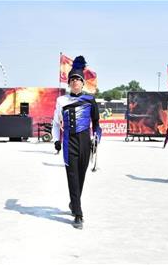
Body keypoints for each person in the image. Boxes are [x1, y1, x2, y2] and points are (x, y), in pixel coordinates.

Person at [52, 56, 102, 229]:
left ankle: (74, 203)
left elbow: (96, 124)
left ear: (83, 83)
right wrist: (56, 140)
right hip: (69, 143)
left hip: (85, 143)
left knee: (81, 177)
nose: (75, 82)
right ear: (69, 83)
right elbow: (56, 123)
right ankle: (78, 214)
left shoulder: (90, 100)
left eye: (78, 80)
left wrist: (97, 139)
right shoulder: (61, 101)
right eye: (72, 79)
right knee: (72, 177)